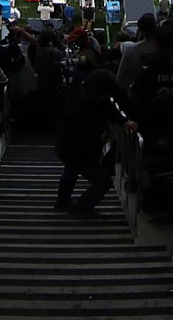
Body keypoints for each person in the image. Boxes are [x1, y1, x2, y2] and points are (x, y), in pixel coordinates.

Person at [53, 64, 135, 213]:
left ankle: (62, 201)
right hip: (78, 150)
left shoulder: (81, 93)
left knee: (70, 171)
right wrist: (104, 136)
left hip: (67, 146)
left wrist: (122, 122)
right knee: (104, 181)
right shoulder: (84, 108)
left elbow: (108, 108)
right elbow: (89, 131)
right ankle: (81, 208)